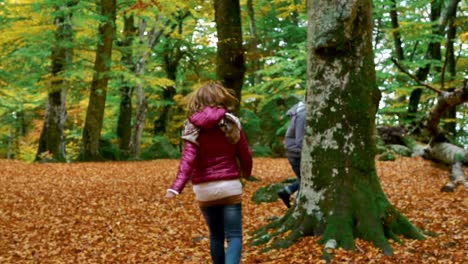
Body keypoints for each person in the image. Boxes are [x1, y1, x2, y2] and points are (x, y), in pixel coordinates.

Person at [165, 81, 253, 264]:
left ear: (198, 100)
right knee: (234, 236)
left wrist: (176, 187)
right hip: (230, 187)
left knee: (216, 236)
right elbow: (245, 153)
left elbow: (187, 159)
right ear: (221, 98)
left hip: (204, 189)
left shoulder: (192, 126)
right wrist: (246, 172)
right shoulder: (231, 122)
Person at [277, 100, 306, 208]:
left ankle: (286, 191)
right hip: (296, 153)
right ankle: (297, 207)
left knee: (303, 180)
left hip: (294, 152)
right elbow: (300, 141)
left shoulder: (301, 112)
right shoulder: (303, 114)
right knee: (306, 181)